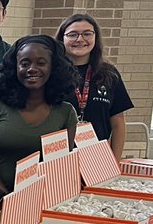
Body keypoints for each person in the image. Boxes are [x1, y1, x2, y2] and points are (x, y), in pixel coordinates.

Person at [0, 35, 79, 191]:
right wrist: (5, 198)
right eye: (24, 63)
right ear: (15, 67)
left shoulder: (66, 113)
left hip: (45, 200)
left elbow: (61, 166)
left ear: (53, 68)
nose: (32, 69)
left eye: (41, 63)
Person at [57, 13, 134, 159]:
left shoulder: (109, 74)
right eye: (72, 34)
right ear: (62, 38)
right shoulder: (51, 73)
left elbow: (118, 122)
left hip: (96, 157)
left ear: (95, 37)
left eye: (87, 34)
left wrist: (115, 161)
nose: (80, 39)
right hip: (57, 157)